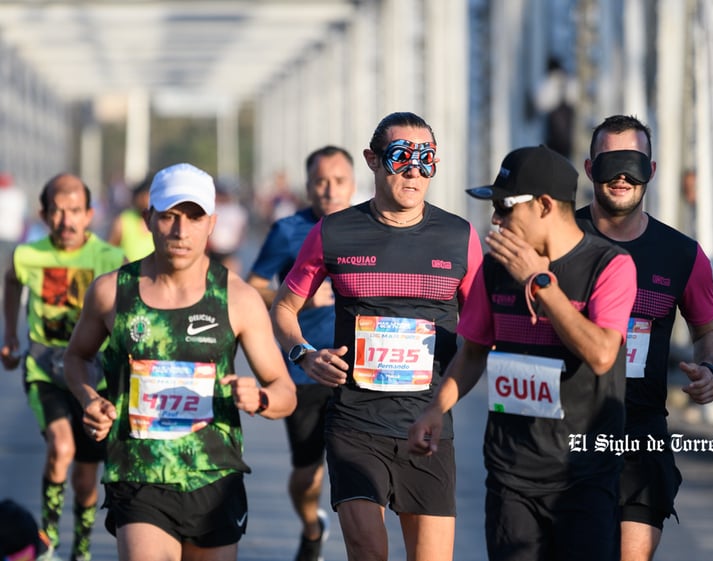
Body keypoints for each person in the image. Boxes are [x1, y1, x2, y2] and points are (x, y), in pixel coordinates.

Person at [408, 145, 637, 561]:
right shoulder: (496, 268)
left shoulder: (610, 266)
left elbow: (603, 354)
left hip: (584, 477)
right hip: (510, 474)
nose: (495, 219)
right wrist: (435, 410)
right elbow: (474, 351)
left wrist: (540, 283)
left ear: (545, 205)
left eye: (504, 206)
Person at [272, 112, 483, 561]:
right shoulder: (333, 232)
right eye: (401, 157)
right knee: (369, 553)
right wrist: (304, 354)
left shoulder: (459, 236)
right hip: (355, 425)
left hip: (428, 427)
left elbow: (482, 330)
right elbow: (284, 307)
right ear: (373, 160)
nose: (413, 170)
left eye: (426, 159)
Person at [62, 162, 297, 561]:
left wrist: (258, 399)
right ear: (148, 219)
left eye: (194, 217)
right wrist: (89, 399)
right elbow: (76, 357)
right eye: (169, 216)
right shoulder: (111, 293)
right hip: (139, 473)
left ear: (212, 223)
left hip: (214, 476)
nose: (180, 230)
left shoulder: (237, 299)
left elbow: (284, 391)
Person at [576, 114, 713, 561]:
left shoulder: (682, 254)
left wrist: (710, 369)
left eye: (634, 164)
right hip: (566, 429)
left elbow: (708, 330)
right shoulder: (561, 238)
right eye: (610, 163)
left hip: (640, 433)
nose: (622, 175)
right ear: (589, 169)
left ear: (652, 171)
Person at [1, 173, 126, 561]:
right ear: (43, 214)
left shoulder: (109, 259)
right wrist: (11, 335)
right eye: (57, 211)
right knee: (61, 445)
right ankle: (49, 542)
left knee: (87, 477)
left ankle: (82, 550)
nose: (66, 221)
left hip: (93, 375)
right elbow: (12, 281)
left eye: (75, 211)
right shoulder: (28, 255)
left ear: (89, 214)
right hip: (45, 368)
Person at [247, 145, 356, 561]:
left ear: (354, 183)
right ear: (307, 185)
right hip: (305, 369)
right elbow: (253, 286)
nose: (329, 189)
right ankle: (312, 527)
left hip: (361, 371)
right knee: (307, 477)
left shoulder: (370, 228)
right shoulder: (288, 230)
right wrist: (296, 298)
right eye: (320, 181)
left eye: (339, 180)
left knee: (364, 472)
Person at [107, 174, 155, 262]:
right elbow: (109, 252)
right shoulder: (123, 221)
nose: (145, 200)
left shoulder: (160, 221)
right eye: (142, 195)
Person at [207, 178, 249, 275]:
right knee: (215, 276)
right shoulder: (212, 209)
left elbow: (242, 229)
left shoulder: (237, 210)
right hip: (213, 249)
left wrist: (238, 244)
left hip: (230, 249)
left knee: (230, 275)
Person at [0, 172, 27, 269]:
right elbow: (24, 215)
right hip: (14, 234)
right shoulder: (19, 195)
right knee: (11, 261)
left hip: (4, 234)